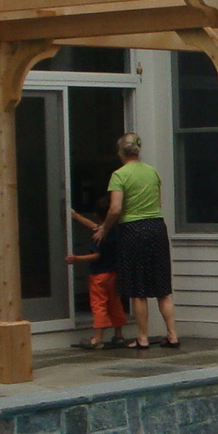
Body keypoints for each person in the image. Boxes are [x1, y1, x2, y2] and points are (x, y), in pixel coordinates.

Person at [95, 133, 179, 349]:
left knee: (138, 288)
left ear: (122, 152)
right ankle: (172, 334)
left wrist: (105, 227)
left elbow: (115, 208)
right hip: (156, 227)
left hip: (133, 230)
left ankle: (142, 337)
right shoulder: (152, 172)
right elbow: (158, 201)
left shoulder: (119, 175)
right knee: (162, 287)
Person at [66, 206, 125, 349]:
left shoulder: (98, 235)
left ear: (98, 216)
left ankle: (97, 339)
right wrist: (75, 216)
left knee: (99, 305)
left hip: (99, 275)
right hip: (113, 274)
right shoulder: (114, 231)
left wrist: (76, 259)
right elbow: (92, 225)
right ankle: (118, 335)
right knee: (115, 303)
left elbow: (96, 255)